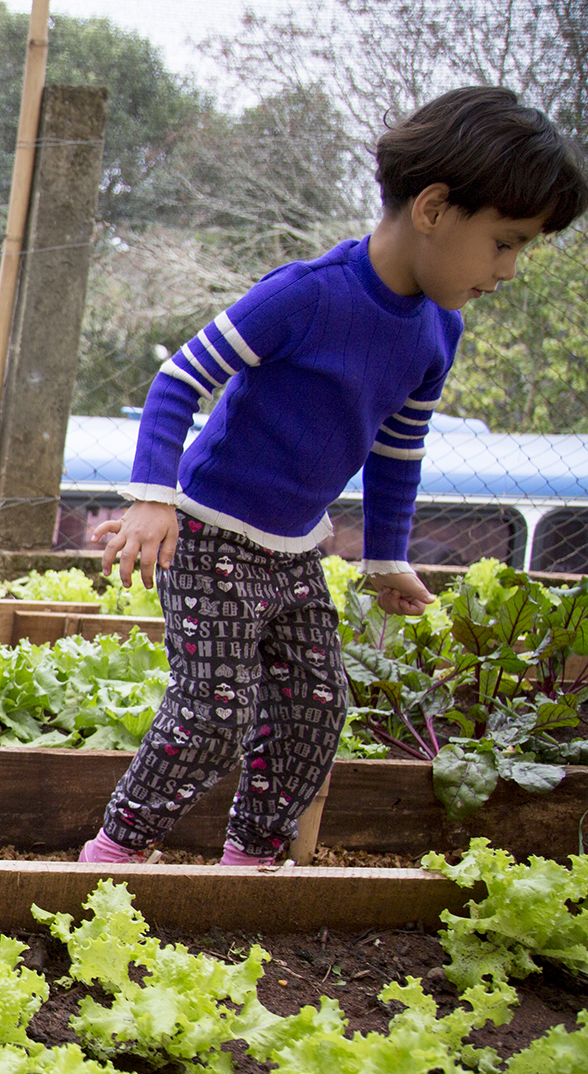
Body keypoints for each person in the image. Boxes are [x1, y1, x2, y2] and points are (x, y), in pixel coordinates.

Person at [85, 85, 586, 866]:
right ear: (433, 208)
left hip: (294, 552)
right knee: (215, 710)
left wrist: (387, 557)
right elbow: (179, 381)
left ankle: (250, 864)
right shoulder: (305, 295)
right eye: (506, 242)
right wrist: (154, 498)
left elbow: (398, 449)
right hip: (211, 539)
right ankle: (114, 853)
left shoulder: (436, 331)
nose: (512, 270)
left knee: (317, 707)